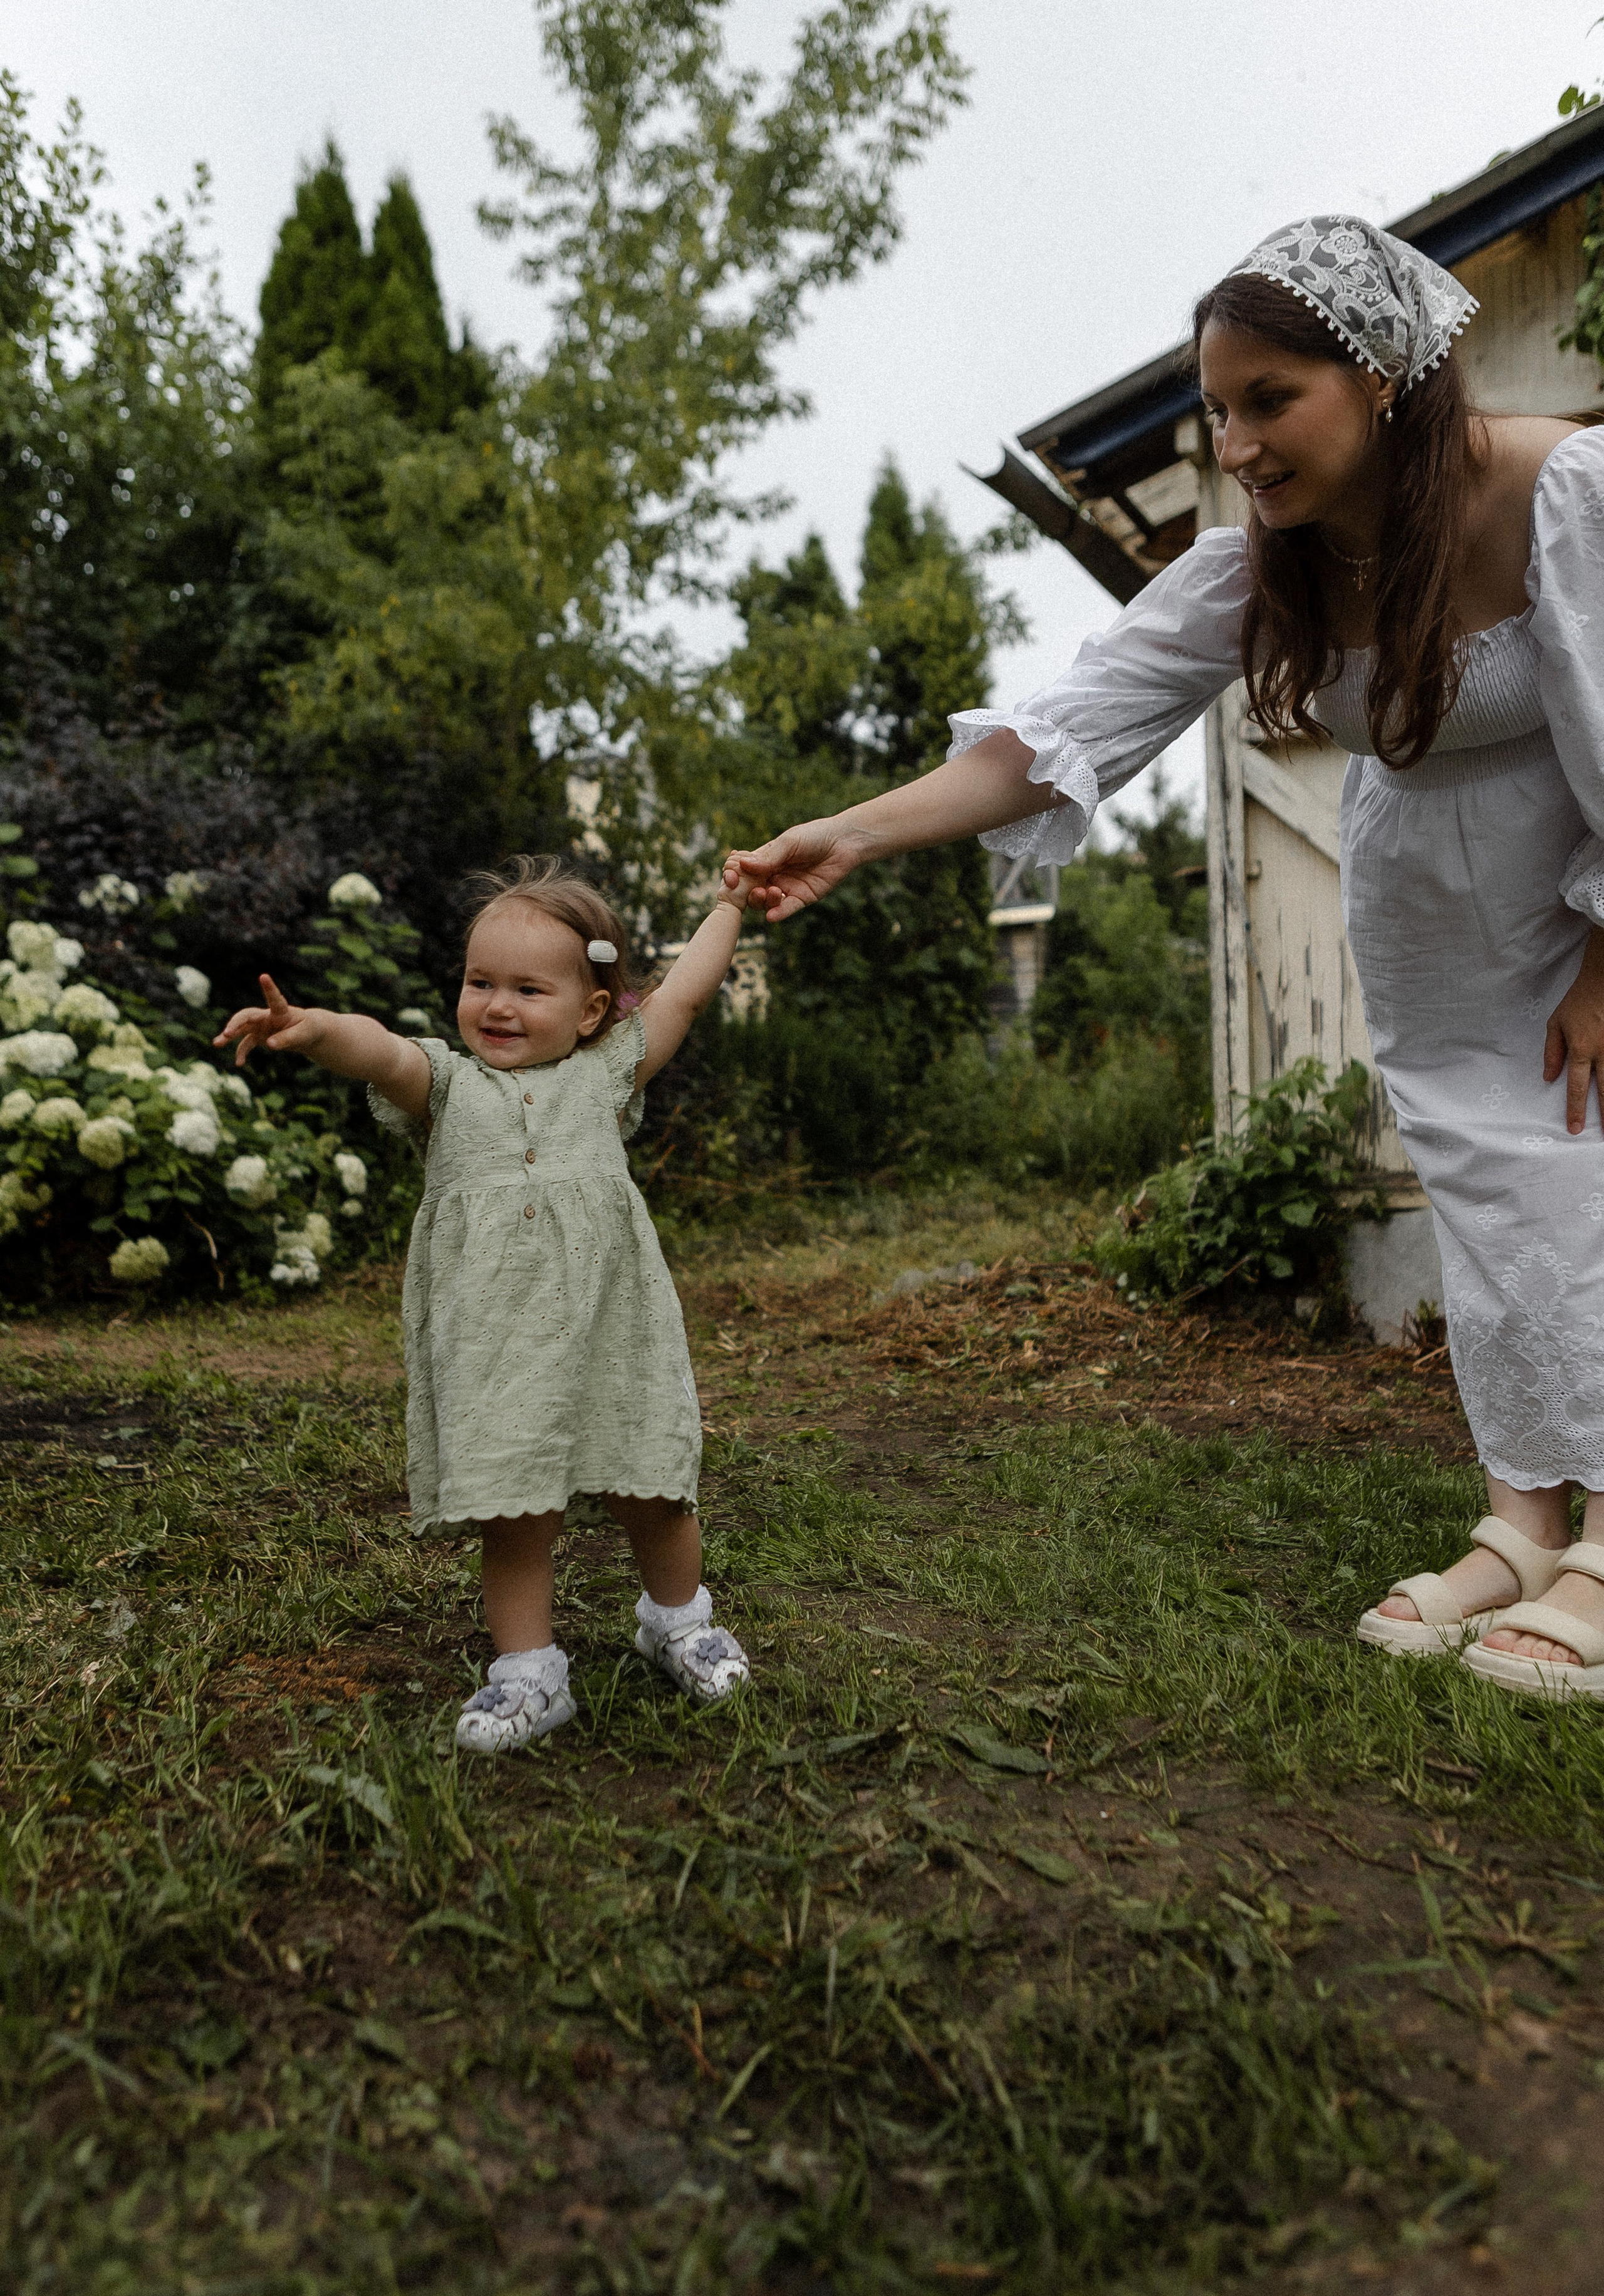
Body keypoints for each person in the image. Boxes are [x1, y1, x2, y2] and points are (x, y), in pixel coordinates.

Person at [725, 215, 1604, 1702]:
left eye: (1271, 399)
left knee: (1585, 1171)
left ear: (1381, 373)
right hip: (1422, 905)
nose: (1236, 441)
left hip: (1571, 881)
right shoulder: (1255, 567)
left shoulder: (1559, 488)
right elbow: (1059, 734)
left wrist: (1602, 967)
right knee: (1482, 1179)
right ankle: (1522, 1521)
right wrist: (855, 834)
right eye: (1217, 407)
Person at [216, 857, 758, 1752]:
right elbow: (379, 1048)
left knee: (651, 1484)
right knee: (515, 1508)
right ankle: (530, 1675)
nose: (496, 1005)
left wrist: (732, 905)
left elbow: (684, 998)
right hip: (499, 1340)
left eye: (527, 989)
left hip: (611, 1333)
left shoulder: (609, 1071)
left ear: (590, 1011)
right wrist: (314, 1030)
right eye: (479, 983)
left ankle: (679, 1622)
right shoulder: (447, 1084)